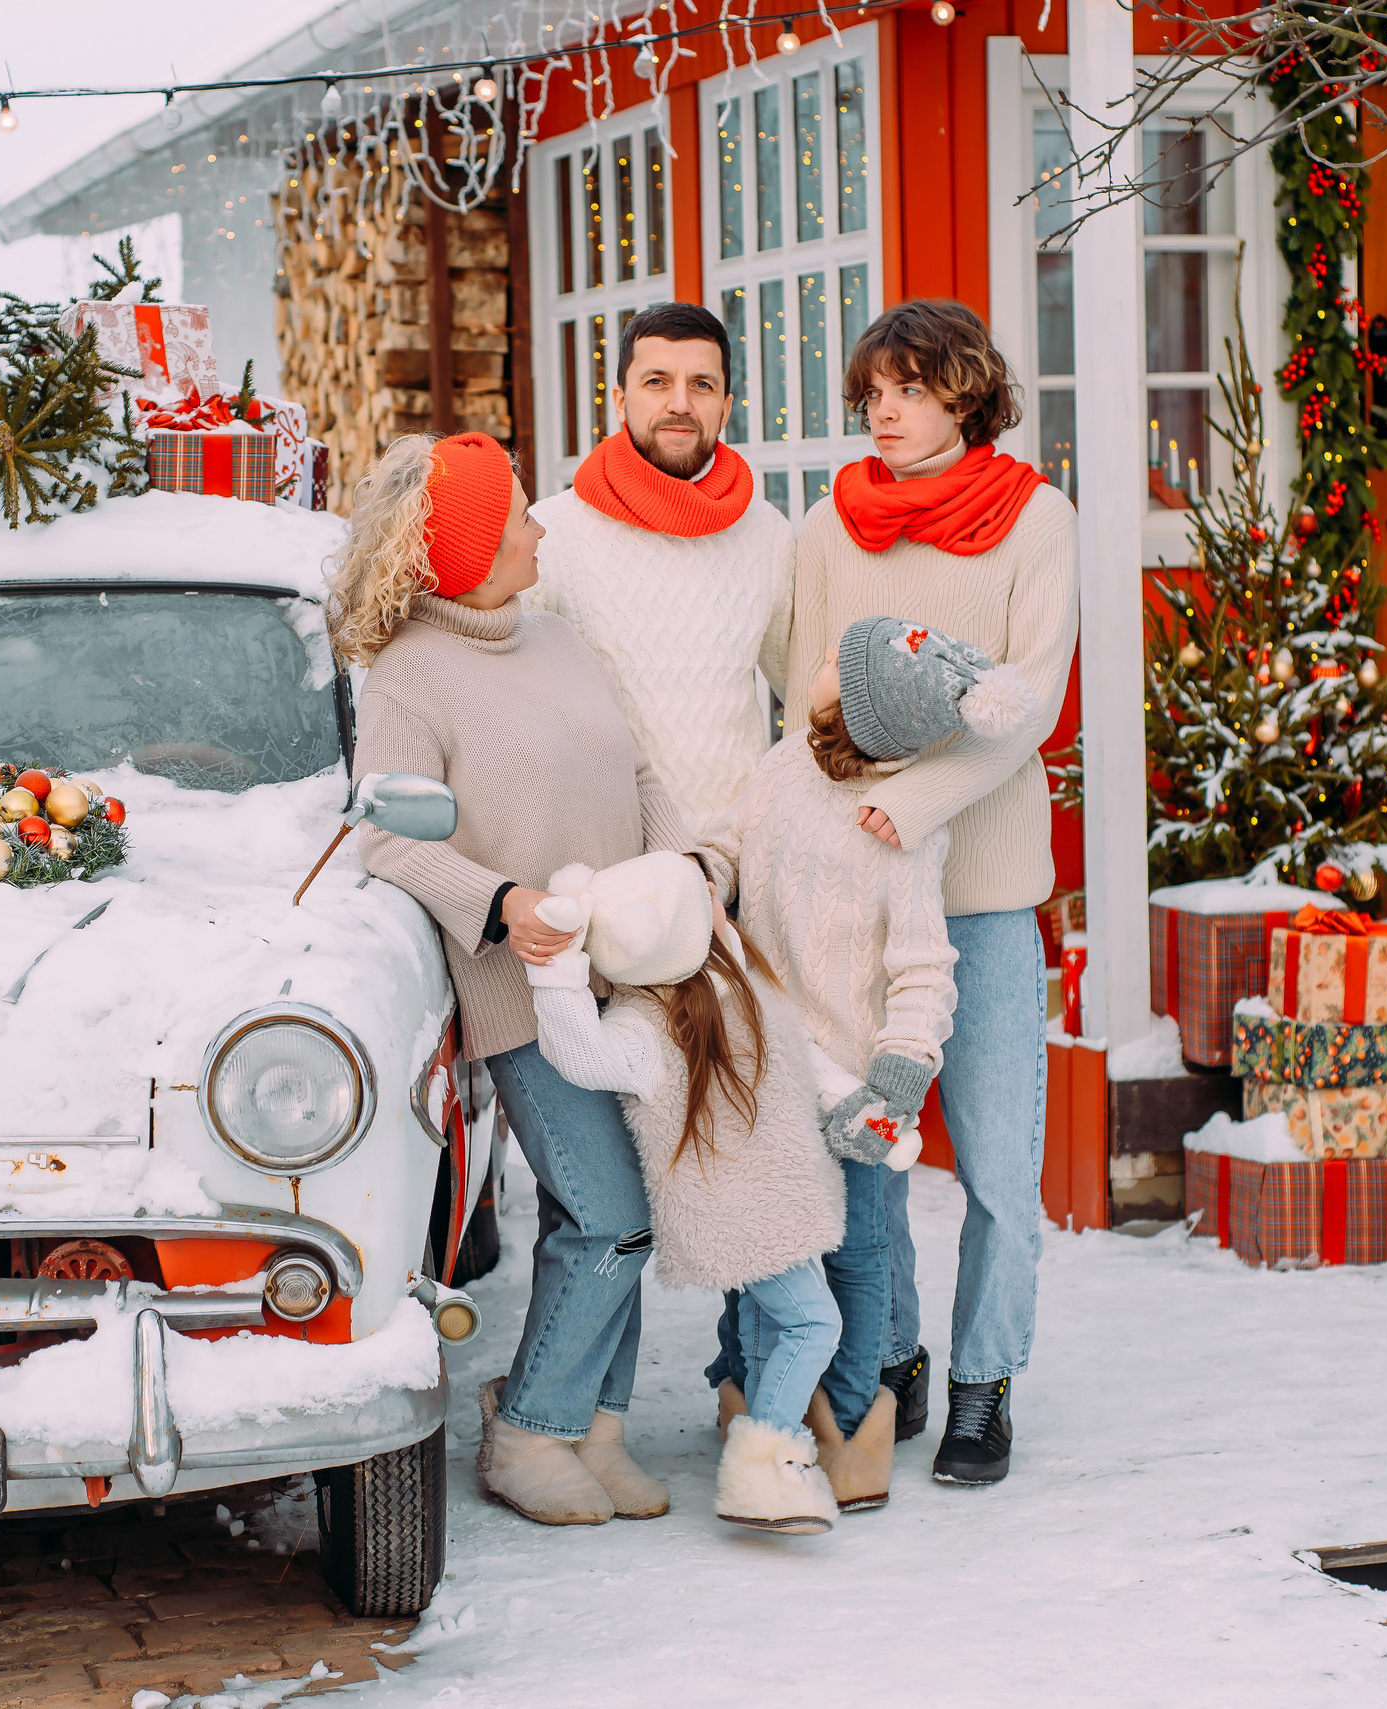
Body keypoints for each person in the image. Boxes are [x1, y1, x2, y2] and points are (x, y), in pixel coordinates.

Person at [332, 431, 695, 1527]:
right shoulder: (405, 679)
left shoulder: (557, 640)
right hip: (525, 985)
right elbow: (387, 840)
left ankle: (599, 1425)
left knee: (634, 1208)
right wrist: (503, 903)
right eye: (522, 516)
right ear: (472, 544)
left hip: (632, 965)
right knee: (609, 1214)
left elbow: (636, 772)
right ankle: (531, 1424)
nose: (539, 529)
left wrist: (689, 868)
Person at [783, 300, 1078, 1487]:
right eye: (871, 393)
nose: (884, 410)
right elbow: (811, 696)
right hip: (856, 886)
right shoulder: (826, 527)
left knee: (1001, 1165)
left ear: (965, 390)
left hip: (988, 890)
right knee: (869, 1149)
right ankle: (892, 1353)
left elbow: (1030, 703)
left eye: (907, 387)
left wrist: (916, 803)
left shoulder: (1035, 518)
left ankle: (981, 1383)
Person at [700, 617, 1040, 1509]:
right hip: (764, 1067)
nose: (813, 665)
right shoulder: (781, 771)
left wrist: (894, 1081)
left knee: (855, 1251)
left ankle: (848, 1426)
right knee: (761, 1242)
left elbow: (925, 969)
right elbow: (733, 839)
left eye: (830, 666)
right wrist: (704, 871)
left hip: (848, 1084)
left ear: (855, 707)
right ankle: (747, 1393)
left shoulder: (902, 830)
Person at [524, 852, 843, 1535]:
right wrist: (555, 970)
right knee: (813, 1323)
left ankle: (765, 1457)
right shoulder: (646, 1026)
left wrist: (862, 1110)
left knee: (789, 1326)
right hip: (741, 1212)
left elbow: (800, 1055)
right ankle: (764, 1470)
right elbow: (580, 1054)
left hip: (774, 1199)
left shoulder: (730, 981)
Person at [525, 302, 795, 825]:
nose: (680, 403)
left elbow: (804, 690)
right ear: (621, 403)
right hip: (609, 855)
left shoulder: (766, 533)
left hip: (741, 851)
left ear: (726, 406)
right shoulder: (550, 532)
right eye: (657, 381)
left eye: (701, 385)